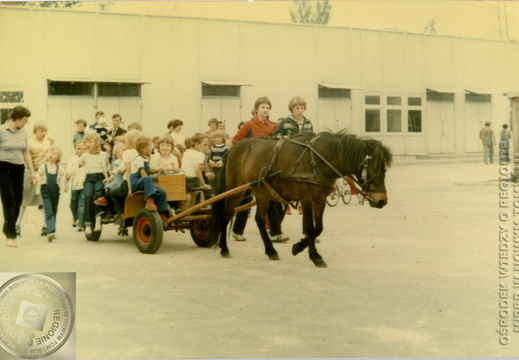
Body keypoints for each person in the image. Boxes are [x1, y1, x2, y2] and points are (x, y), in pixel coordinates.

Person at [231, 96, 288, 243]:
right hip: (249, 168)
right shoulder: (249, 125)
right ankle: (237, 231)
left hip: (266, 169)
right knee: (245, 200)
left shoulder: (273, 126)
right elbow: (235, 141)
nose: (265, 110)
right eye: (263, 107)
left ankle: (275, 233)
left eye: (268, 107)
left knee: (271, 201)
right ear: (257, 109)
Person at [0, 106, 36, 247]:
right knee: (9, 200)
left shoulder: (23, 133)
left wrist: (32, 172)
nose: (26, 123)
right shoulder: (2, 130)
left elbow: (26, 153)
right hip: (2, 167)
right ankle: (11, 235)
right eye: (25, 120)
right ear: (17, 119)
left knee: (18, 199)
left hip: (18, 167)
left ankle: (7, 226)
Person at [17, 120, 53, 237]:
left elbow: (49, 157)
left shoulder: (47, 143)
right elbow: (25, 157)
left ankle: (45, 225)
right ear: (35, 131)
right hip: (30, 173)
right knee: (25, 200)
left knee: (43, 200)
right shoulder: (30, 143)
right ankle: (18, 223)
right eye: (41, 131)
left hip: (43, 174)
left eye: (45, 130)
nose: (44, 133)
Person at [129, 135, 171, 223]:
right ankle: (149, 200)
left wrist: (158, 169)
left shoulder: (145, 158)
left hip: (144, 183)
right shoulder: (139, 159)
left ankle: (162, 213)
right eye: (151, 147)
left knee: (161, 192)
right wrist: (151, 187)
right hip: (136, 183)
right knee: (147, 178)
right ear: (144, 149)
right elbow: (143, 173)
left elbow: (149, 170)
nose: (152, 149)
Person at [79, 133, 109, 236]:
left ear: (96, 143)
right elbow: (79, 164)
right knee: (87, 195)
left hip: (100, 177)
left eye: (90, 142)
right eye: (86, 142)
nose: (87, 144)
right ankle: (87, 224)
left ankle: (98, 220)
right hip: (89, 178)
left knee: (98, 194)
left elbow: (107, 167)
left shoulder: (103, 155)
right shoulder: (84, 155)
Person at [38, 146, 66, 242]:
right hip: (45, 189)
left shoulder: (60, 168)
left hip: (55, 190)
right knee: (49, 210)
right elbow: (38, 177)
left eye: (54, 153)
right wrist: (37, 189)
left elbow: (63, 179)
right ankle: (50, 231)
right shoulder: (43, 166)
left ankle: (51, 229)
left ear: (58, 157)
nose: (51, 154)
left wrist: (62, 189)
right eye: (50, 152)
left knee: (54, 210)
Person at [181, 133, 212, 205]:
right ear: (197, 144)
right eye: (205, 145)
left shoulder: (186, 152)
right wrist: (203, 184)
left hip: (184, 179)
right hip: (193, 180)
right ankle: (198, 208)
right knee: (205, 187)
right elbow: (197, 170)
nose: (206, 147)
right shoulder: (200, 155)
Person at [66, 140, 87, 232]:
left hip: (84, 184)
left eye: (83, 149)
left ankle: (81, 224)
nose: (81, 151)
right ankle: (75, 217)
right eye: (79, 148)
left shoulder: (87, 159)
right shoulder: (73, 159)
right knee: (73, 204)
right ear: (75, 149)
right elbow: (68, 171)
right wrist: (67, 179)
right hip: (75, 185)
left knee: (81, 205)